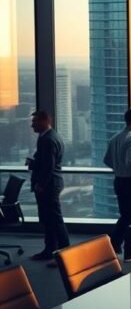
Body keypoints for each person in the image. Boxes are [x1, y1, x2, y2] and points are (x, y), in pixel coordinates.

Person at [103, 108, 131, 260]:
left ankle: (117, 245)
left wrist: (119, 169)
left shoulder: (116, 137)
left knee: (126, 216)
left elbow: (107, 160)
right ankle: (126, 249)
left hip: (119, 181)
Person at [26, 111, 69, 262]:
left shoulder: (48, 140)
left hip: (48, 186)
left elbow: (49, 166)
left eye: (35, 122)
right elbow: (47, 163)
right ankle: (51, 250)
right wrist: (35, 163)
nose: (32, 125)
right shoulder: (50, 136)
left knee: (54, 220)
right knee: (50, 219)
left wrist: (41, 184)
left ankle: (65, 252)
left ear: (45, 121)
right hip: (51, 183)